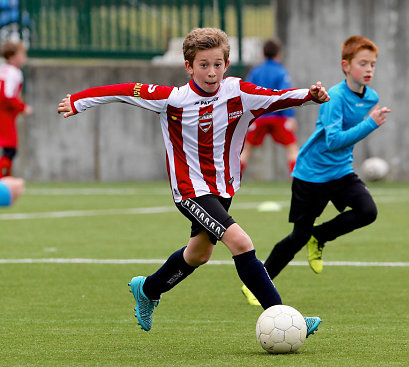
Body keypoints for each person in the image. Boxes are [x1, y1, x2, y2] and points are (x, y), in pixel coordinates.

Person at [57, 28, 330, 335]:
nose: (211, 72)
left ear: (226, 64)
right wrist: (79, 100)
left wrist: (310, 96)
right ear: (189, 66)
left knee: (198, 254)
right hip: (189, 191)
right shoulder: (173, 100)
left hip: (223, 187)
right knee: (240, 242)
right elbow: (125, 90)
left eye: (217, 64)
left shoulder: (238, 92)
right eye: (203, 65)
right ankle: (286, 318)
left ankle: (148, 288)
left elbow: (277, 98)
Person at [240, 35, 391, 306]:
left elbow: (345, 141)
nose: (369, 69)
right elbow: (333, 142)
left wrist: (368, 122)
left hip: (342, 171)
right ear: (345, 65)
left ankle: (320, 237)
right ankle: (257, 283)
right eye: (362, 63)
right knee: (298, 236)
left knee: (368, 211)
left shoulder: (372, 98)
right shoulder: (333, 98)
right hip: (311, 174)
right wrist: (370, 124)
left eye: (373, 64)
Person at [240, 39, 298, 175]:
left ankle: (229, 182)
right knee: (292, 150)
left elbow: (247, 93)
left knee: (246, 151)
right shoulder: (281, 72)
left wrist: (247, 117)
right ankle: (298, 183)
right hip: (279, 117)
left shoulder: (255, 72)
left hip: (259, 117)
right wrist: (290, 117)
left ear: (263, 53)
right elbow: (285, 95)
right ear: (278, 54)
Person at [0, 40, 33, 178]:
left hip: (5, 114)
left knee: (8, 150)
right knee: (10, 150)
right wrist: (22, 107)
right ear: (13, 57)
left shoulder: (3, 69)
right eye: (22, 54)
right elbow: (6, 94)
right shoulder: (14, 72)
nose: (24, 58)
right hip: (4, 114)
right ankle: (4, 181)